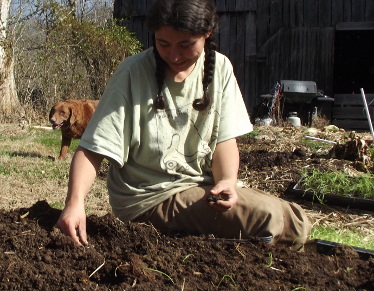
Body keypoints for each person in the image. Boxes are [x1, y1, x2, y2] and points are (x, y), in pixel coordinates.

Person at [56, 0, 311, 250]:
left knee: (297, 221)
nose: (174, 55)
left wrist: (227, 182)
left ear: (207, 33)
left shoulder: (219, 67)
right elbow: (92, 149)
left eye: (186, 44)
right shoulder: (132, 73)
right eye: (163, 44)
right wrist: (74, 204)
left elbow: (225, 140)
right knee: (269, 218)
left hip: (201, 189)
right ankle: (231, 253)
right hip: (150, 200)